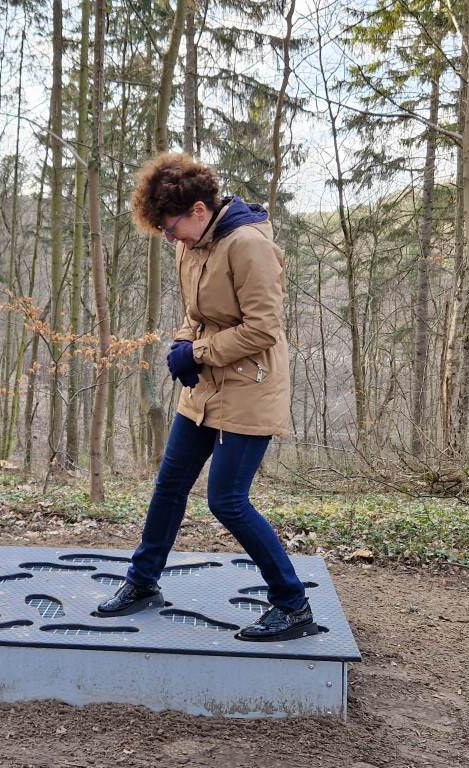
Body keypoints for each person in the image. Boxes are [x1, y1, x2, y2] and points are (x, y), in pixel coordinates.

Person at [96, 152, 316, 642]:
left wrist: (197, 352)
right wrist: (182, 343)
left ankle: (292, 604)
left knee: (227, 500)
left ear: (199, 210)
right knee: (170, 484)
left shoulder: (248, 246)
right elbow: (196, 314)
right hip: (207, 382)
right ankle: (142, 581)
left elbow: (263, 328)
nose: (169, 238)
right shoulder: (190, 246)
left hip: (251, 384)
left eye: (172, 227)